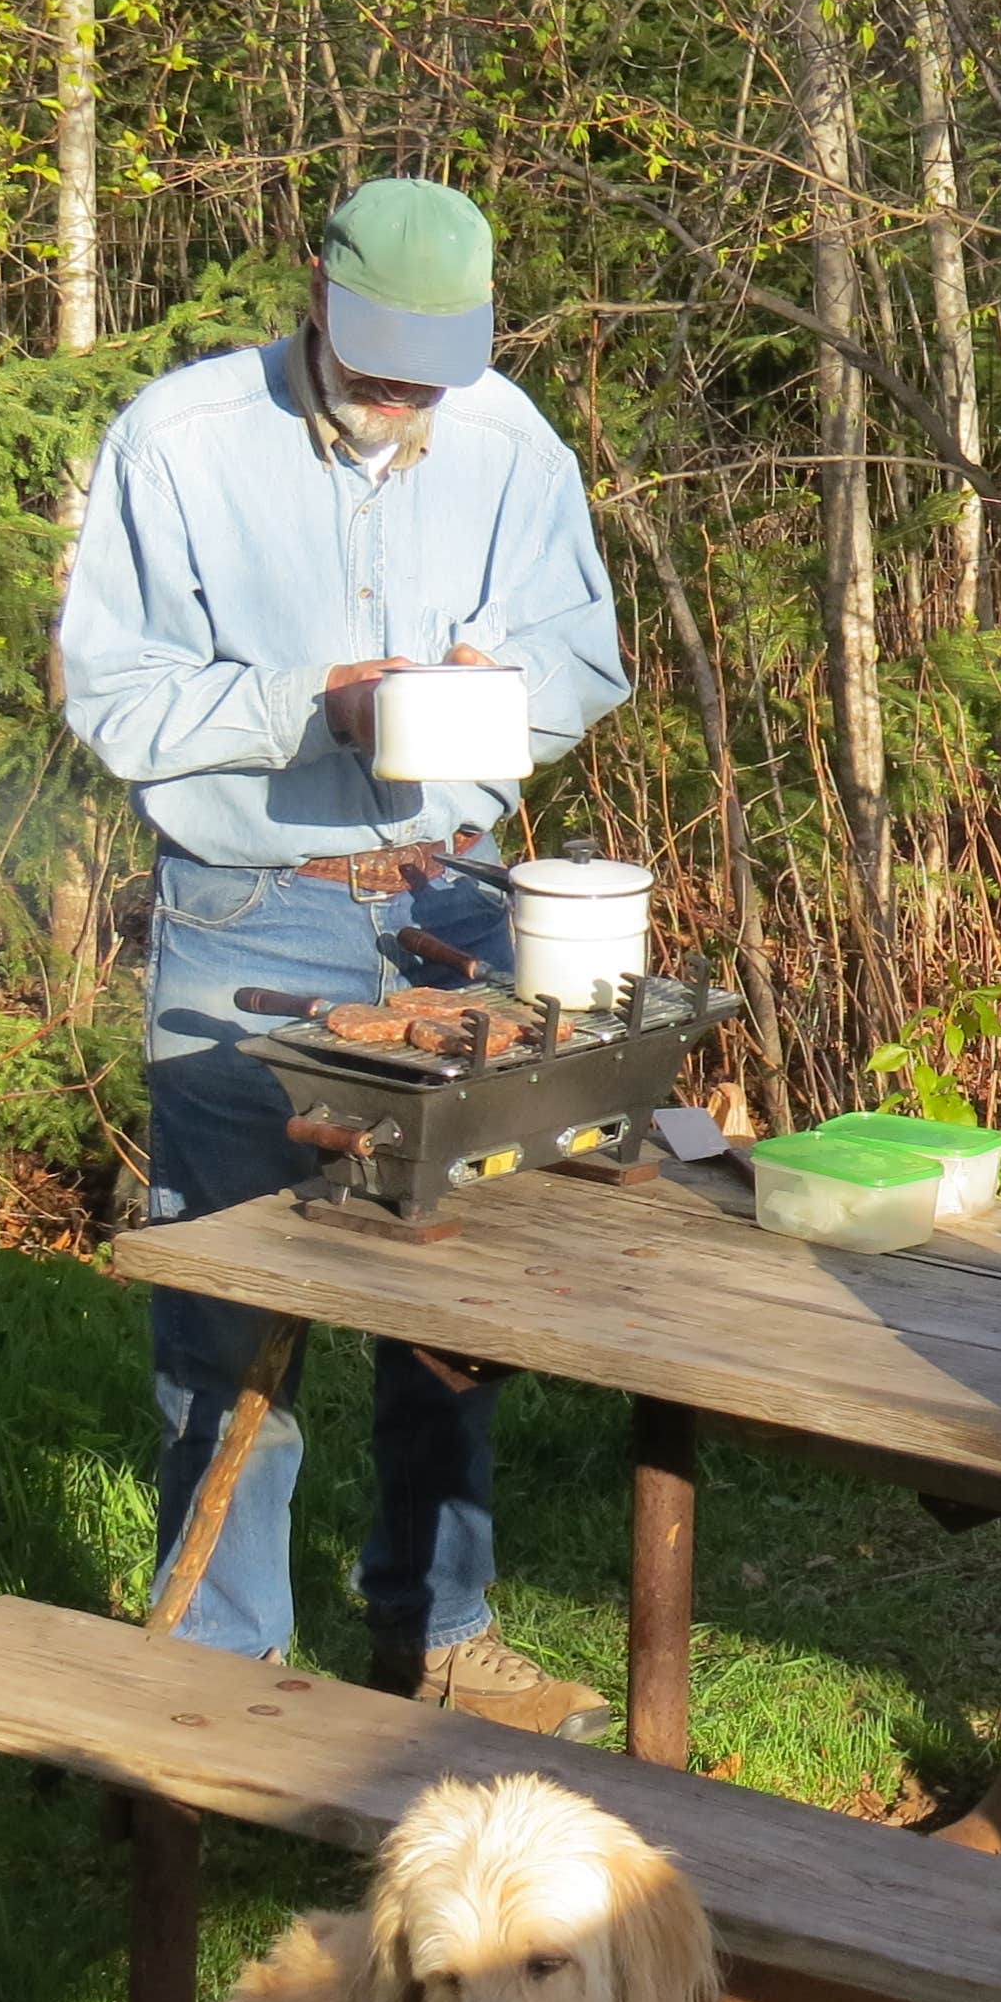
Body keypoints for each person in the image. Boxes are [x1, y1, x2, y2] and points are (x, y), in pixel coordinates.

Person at [59, 177, 626, 1738]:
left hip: (453, 904)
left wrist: (490, 693)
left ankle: (438, 1631)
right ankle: (226, 1672)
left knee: (452, 1301)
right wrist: (314, 700)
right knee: (226, 1296)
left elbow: (588, 657)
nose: (401, 400)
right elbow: (111, 696)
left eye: (429, 372)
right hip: (253, 907)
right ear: (314, 291)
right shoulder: (177, 442)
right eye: (378, 363)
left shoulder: (513, 443)